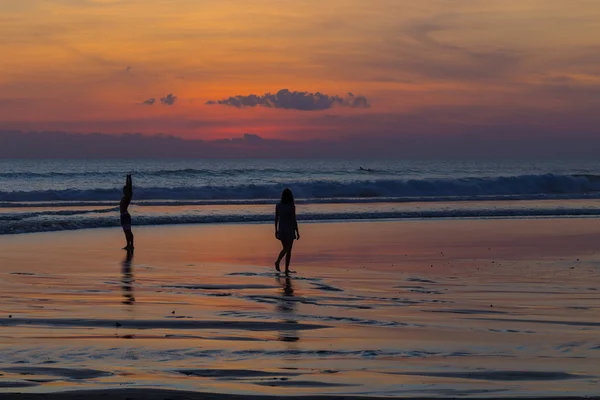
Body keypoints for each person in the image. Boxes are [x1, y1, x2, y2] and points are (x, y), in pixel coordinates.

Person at [274, 188, 299, 274]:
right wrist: (297, 231)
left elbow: (276, 219)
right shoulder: (292, 206)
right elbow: (294, 220)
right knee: (288, 249)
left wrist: (276, 230)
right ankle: (278, 262)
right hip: (289, 228)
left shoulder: (278, 205)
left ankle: (286, 269)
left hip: (282, 229)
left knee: (286, 248)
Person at [120, 174, 134, 250]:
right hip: (122, 216)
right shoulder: (124, 196)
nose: (124, 191)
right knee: (125, 231)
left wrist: (129, 178)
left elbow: (130, 188)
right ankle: (128, 245)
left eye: (125, 190)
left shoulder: (127, 197)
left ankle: (132, 245)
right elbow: (127, 187)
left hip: (125, 215)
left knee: (128, 231)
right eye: (123, 190)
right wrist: (126, 178)